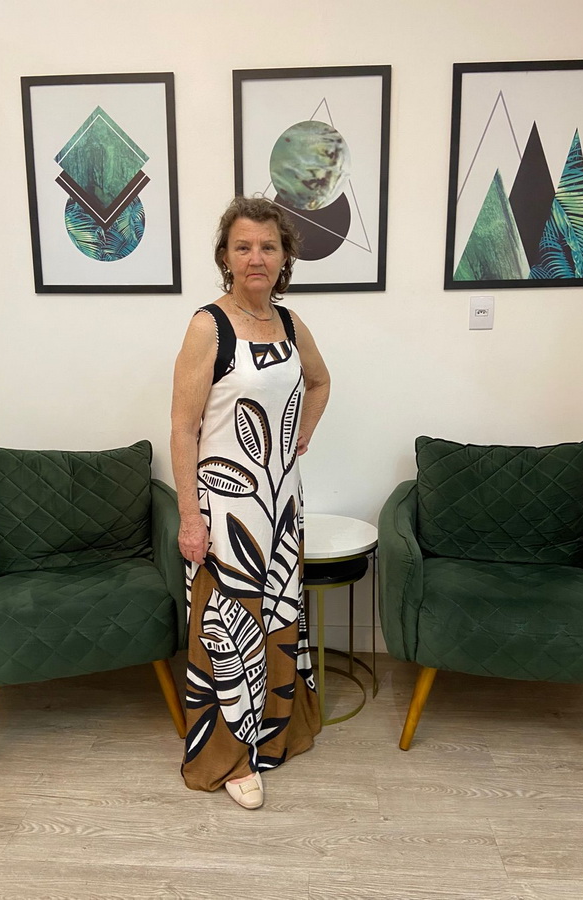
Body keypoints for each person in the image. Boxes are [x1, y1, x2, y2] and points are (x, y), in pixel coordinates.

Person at [170, 196, 330, 808]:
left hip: (280, 505)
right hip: (225, 507)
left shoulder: (289, 323)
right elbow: (183, 428)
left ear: (285, 256)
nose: (256, 257)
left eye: (268, 246)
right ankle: (228, 758)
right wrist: (191, 518)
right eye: (243, 247)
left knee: (277, 617)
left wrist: (300, 435)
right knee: (228, 631)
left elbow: (320, 381)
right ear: (226, 256)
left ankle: (273, 733)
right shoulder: (208, 326)